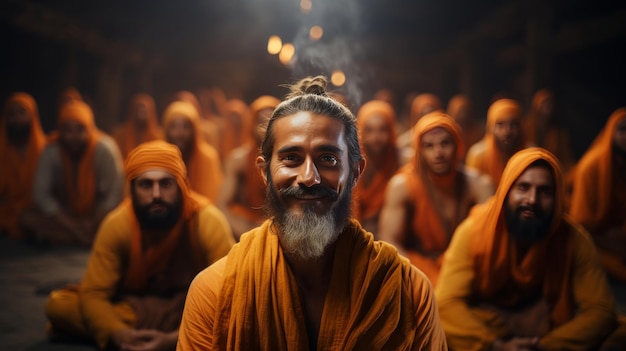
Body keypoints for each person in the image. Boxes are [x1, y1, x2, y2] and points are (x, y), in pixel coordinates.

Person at [177, 76, 447, 350]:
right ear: (264, 172)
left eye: (328, 159)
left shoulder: (408, 292)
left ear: (355, 172)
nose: (308, 177)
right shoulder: (215, 292)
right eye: (291, 158)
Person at [45, 140, 235, 351]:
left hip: (189, 306)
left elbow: (230, 293)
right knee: (59, 305)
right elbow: (94, 294)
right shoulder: (118, 224)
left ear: (182, 186)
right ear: (132, 190)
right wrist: (117, 332)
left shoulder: (207, 221)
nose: (156, 195)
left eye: (166, 184)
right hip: (135, 306)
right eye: (146, 185)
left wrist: (172, 340)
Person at [436, 147, 625, 351]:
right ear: (507, 191)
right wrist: (495, 345)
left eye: (544, 192)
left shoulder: (573, 238)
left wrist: (545, 346)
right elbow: (447, 303)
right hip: (490, 326)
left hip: (547, 330)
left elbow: (600, 310)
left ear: (557, 197)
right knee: (433, 325)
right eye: (523, 188)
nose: (532, 200)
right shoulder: (473, 231)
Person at [378, 112, 494, 286]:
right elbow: (390, 241)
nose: (438, 153)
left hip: (464, 265)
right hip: (417, 268)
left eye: (445, 143)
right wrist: (421, 277)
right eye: (429, 146)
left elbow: (489, 239)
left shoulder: (479, 185)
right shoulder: (402, 186)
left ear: (458, 145)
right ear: (419, 151)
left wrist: (461, 270)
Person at [21, 100, 124, 246]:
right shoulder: (51, 151)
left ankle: (67, 239)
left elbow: (114, 194)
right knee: (27, 219)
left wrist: (93, 222)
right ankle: (87, 239)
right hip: (64, 216)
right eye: (68, 130)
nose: (74, 136)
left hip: (97, 216)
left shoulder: (105, 148)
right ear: (60, 131)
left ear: (90, 128)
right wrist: (72, 226)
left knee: (122, 221)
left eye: (80, 129)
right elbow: (41, 195)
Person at [569, 108, 626, 283]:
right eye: (623, 130)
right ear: (610, 132)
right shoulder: (591, 167)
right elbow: (580, 226)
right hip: (594, 242)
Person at [217, 95, 281, 240]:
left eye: (271, 121)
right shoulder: (238, 159)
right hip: (248, 229)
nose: (266, 128)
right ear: (251, 124)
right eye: (260, 121)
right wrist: (247, 232)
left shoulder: (292, 159)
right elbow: (222, 205)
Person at [0, 92, 47, 239]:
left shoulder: (45, 149)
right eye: (11, 113)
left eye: (22, 112)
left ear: (33, 116)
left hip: (38, 210)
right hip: (7, 209)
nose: (16, 119)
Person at [353, 99, 400, 235]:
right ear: (360, 132)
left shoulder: (402, 163)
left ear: (391, 130)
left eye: (382, 129)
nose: (376, 137)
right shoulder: (351, 164)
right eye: (369, 130)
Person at [163, 100, 223, 202]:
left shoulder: (208, 157)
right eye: (174, 127)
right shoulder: (159, 156)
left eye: (185, 127)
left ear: (194, 130)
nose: (179, 133)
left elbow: (212, 197)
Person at [466, 98, 526, 186]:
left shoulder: (528, 154)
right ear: (490, 127)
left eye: (513, 124)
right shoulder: (478, 155)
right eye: (500, 124)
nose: (507, 132)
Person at [523, 89, 575, 173]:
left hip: (551, 170)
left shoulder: (559, 133)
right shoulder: (526, 127)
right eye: (545, 103)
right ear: (536, 105)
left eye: (551, 103)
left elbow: (566, 158)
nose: (548, 106)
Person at [112, 93, 163, 159]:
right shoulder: (120, 134)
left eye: (144, 111)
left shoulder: (159, 135)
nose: (141, 115)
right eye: (138, 111)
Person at [396, 93, 443, 164]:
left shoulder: (446, 136)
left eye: (432, 114)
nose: (428, 119)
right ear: (416, 116)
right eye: (423, 115)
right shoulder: (405, 143)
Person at [446, 94, 483, 158]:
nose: (463, 115)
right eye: (459, 111)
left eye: (465, 110)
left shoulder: (477, 131)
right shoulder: (447, 132)